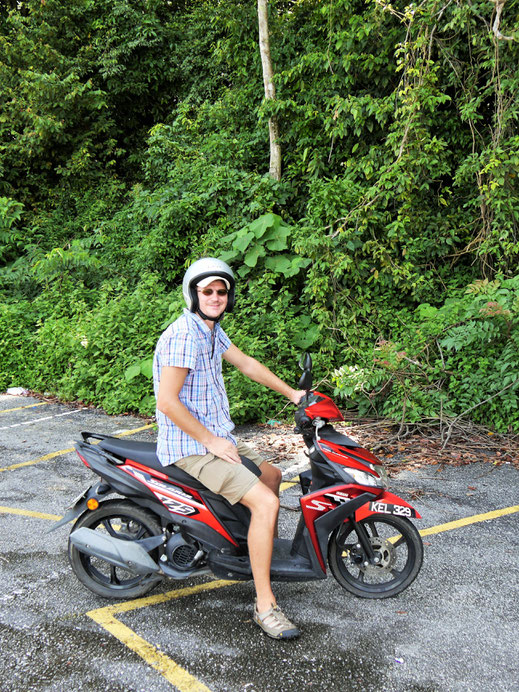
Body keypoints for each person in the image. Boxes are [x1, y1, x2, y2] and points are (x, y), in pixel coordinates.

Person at [153, 257, 305, 640]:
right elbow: (167, 402)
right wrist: (210, 440)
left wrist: (294, 394)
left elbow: (246, 363)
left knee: (272, 475)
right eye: (208, 291)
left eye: (222, 291)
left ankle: (257, 554)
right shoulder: (184, 335)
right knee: (267, 503)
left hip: (217, 439)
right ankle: (264, 605)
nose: (216, 297)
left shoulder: (209, 331)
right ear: (194, 295)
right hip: (191, 447)